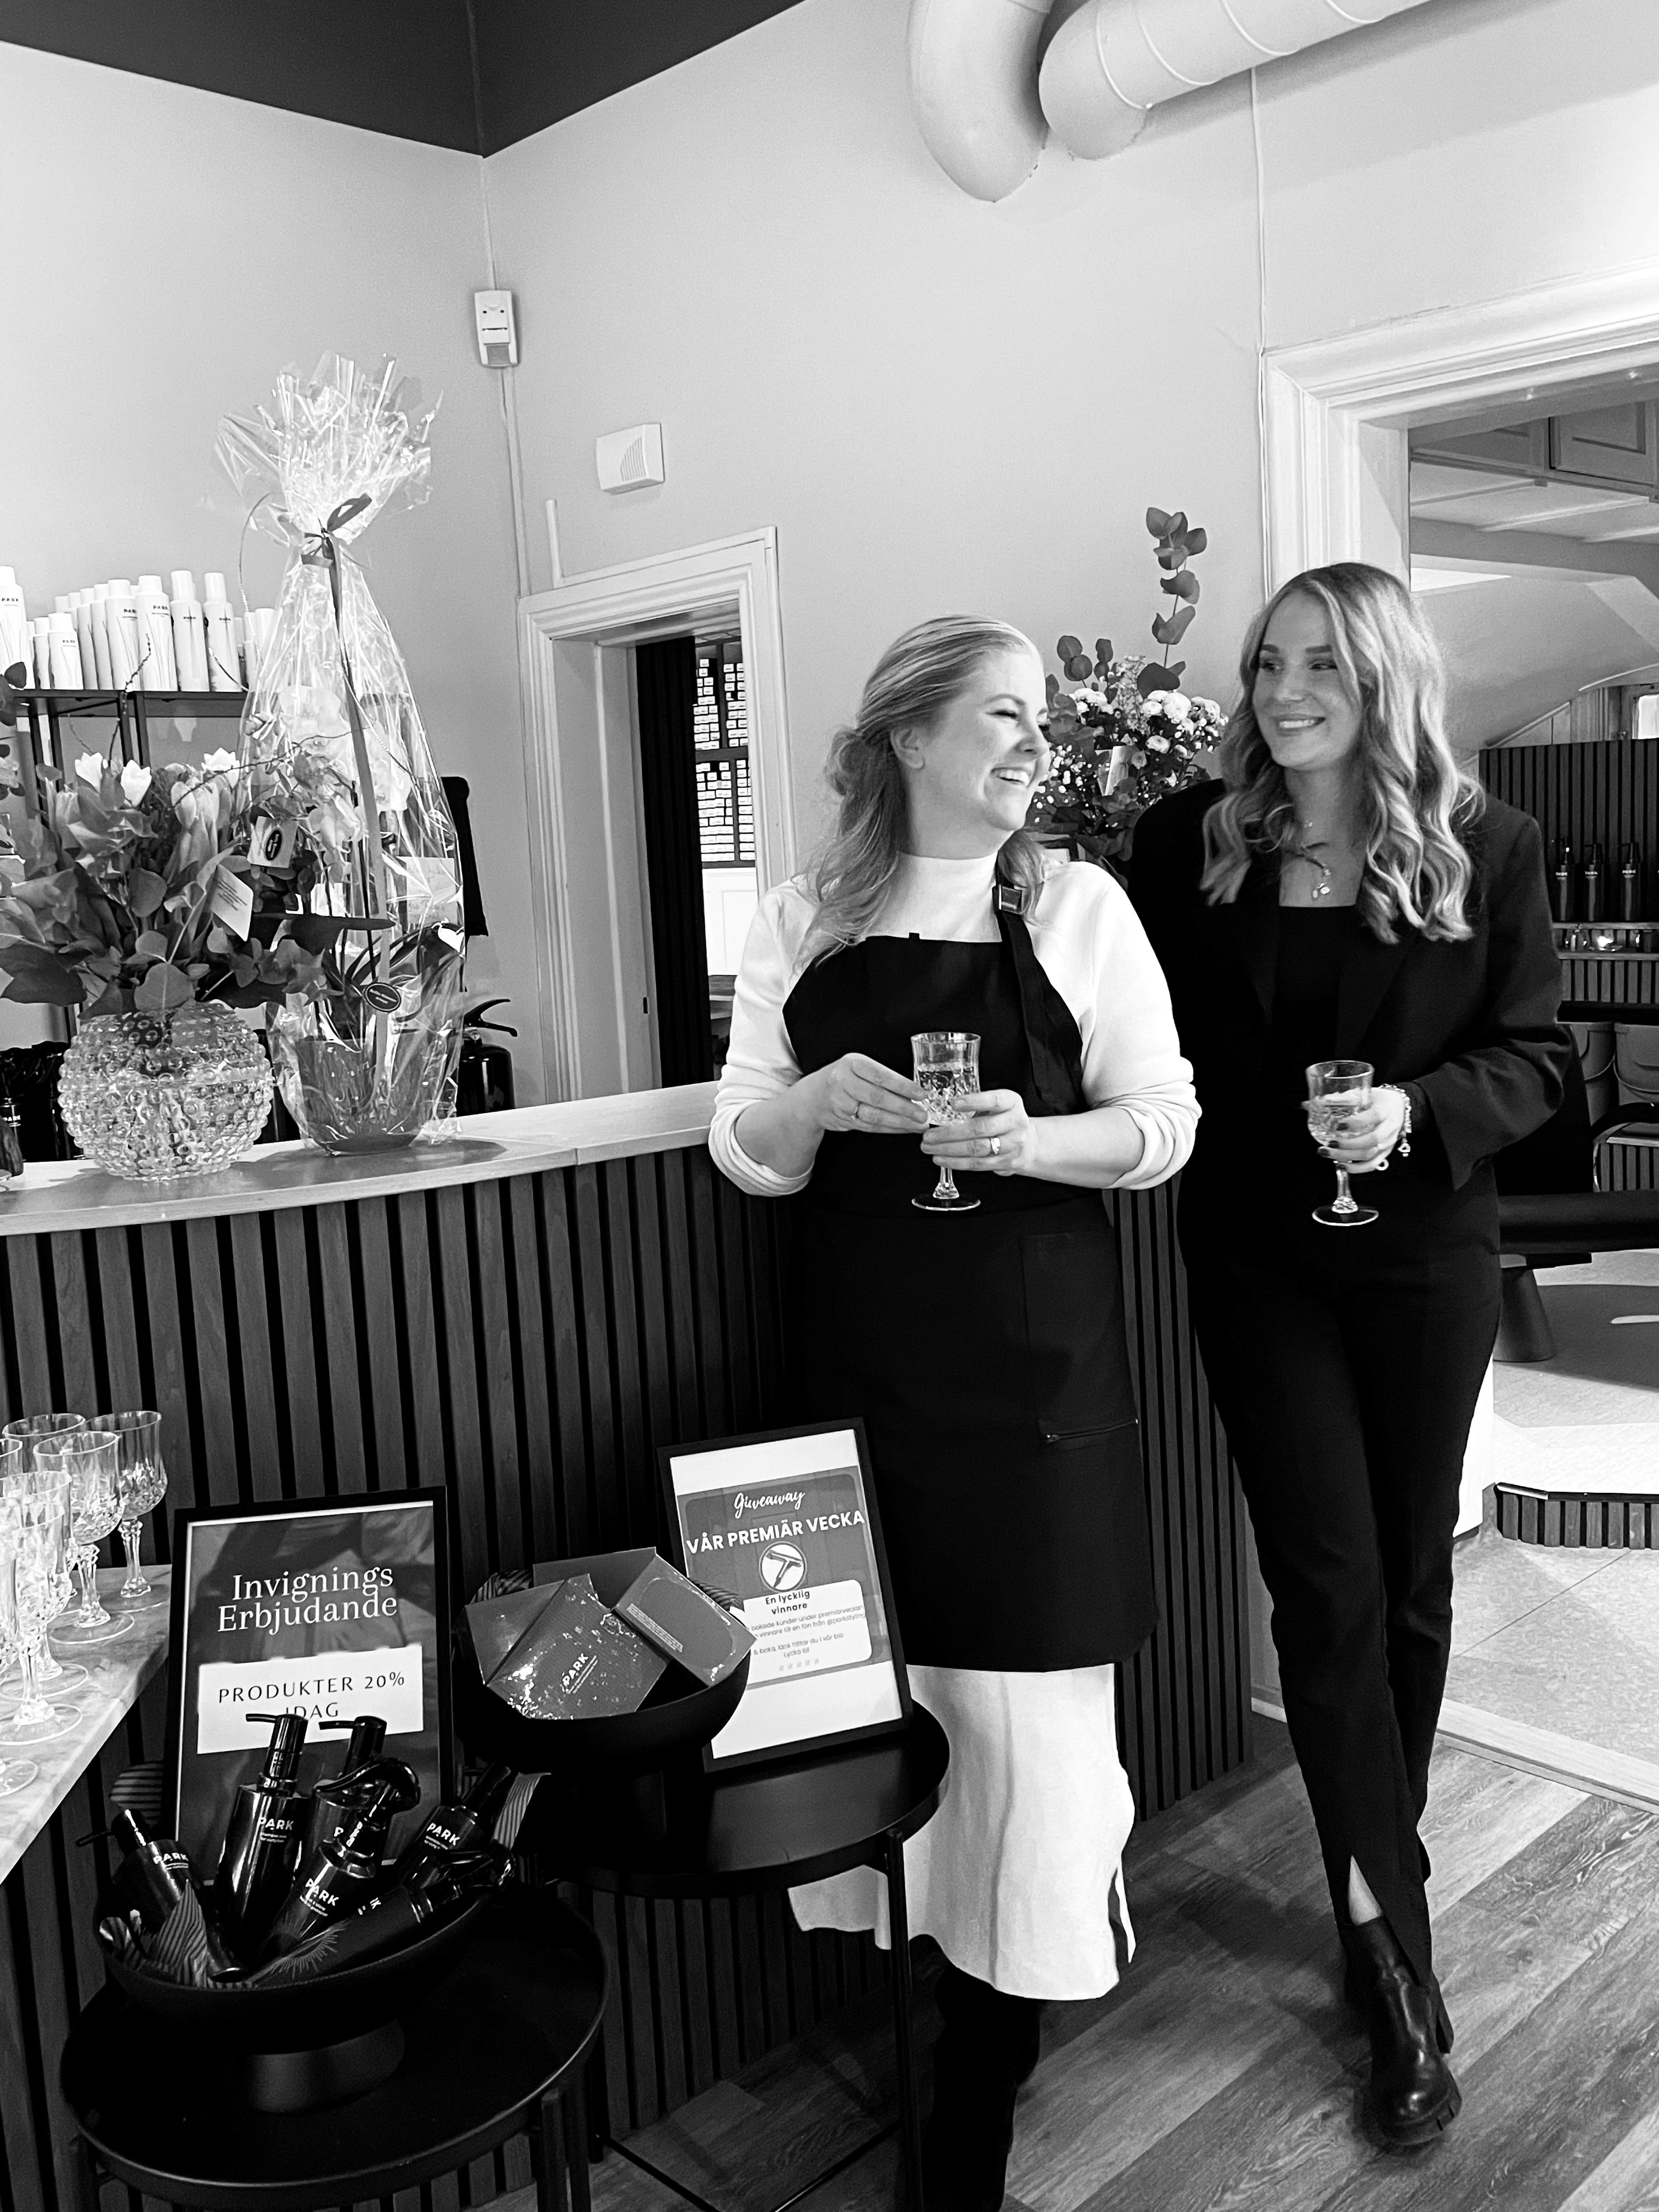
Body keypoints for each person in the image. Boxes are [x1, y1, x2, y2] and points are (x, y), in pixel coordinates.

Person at [709, 616, 1197, 2212]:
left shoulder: (1078, 906)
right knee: (889, 1712)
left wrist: (1030, 1142)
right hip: (867, 1387)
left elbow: (1166, 1122)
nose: (1035, 744)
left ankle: (986, 2064)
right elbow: (744, 1150)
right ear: (908, 738)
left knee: (1027, 1746)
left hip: (1036, 1399)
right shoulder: (802, 917)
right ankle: (926, 1998)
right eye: (1003, 715)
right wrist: (807, 1105)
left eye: (1040, 718)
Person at [1128, 562, 1570, 2148]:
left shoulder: (1488, 844)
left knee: (1410, 1584)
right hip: (1260, 1267)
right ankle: (1392, 1961)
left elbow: (1539, 1056)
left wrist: (1417, 1111)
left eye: (1321, 662)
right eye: (1268, 663)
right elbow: (1124, 1024)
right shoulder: (1189, 843)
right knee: (1325, 1591)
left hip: (1423, 1264)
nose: (1285, 689)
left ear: (1384, 677)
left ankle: (1385, 1851)